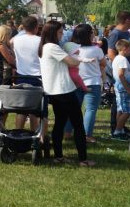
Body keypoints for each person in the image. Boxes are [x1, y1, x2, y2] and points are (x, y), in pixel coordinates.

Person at [38, 21, 95, 167]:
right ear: (53, 33)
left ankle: (58, 156)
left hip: (54, 91)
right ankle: (83, 160)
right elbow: (73, 63)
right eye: (60, 32)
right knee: (78, 125)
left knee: (60, 122)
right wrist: (78, 58)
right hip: (63, 90)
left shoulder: (44, 47)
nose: (62, 35)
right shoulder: (52, 47)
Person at [70, 24, 105, 144]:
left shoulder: (72, 50)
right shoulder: (96, 50)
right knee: (90, 109)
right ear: (89, 35)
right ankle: (86, 135)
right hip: (92, 82)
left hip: (75, 82)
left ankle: (67, 132)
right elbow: (104, 63)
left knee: (73, 109)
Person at [11, 16, 44, 132]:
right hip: (37, 77)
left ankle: (18, 132)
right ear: (36, 27)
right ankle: (34, 134)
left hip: (21, 76)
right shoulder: (40, 40)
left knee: (21, 109)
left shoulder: (16, 40)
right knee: (35, 109)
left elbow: (9, 44)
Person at [0, 25, 16, 128]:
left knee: (4, 101)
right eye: (9, 34)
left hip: (4, 73)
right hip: (4, 75)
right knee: (3, 100)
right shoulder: (1, 46)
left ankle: (1, 124)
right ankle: (0, 125)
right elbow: (11, 61)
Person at [112, 39, 130, 141]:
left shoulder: (118, 58)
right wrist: (129, 89)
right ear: (125, 48)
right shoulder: (122, 59)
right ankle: (117, 132)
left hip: (120, 86)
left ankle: (120, 130)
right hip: (123, 87)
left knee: (121, 110)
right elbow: (121, 75)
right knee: (127, 111)